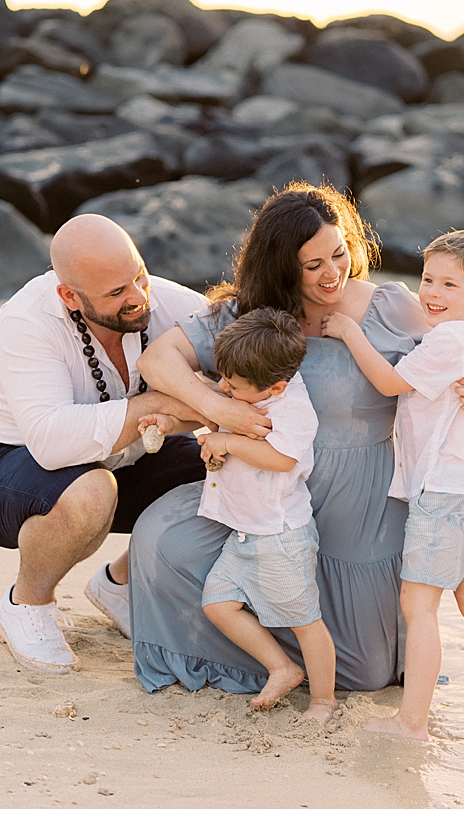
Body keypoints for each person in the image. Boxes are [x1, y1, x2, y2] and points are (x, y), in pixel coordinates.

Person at [128, 183, 464, 696]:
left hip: (361, 500)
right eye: (313, 265)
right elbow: (156, 360)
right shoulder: (252, 313)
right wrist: (221, 409)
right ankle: (257, 654)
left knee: (368, 674)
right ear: (282, 266)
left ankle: (312, 656)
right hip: (269, 487)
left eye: (340, 253)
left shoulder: (393, 308)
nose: (333, 273)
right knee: (161, 540)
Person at [0, 214, 209, 674]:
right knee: (92, 492)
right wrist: (170, 402)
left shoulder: (156, 299)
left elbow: (248, 340)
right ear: (69, 295)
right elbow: (51, 442)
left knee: (225, 475)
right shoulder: (27, 322)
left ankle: (120, 583)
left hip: (120, 460)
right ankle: (27, 604)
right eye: (116, 293)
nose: (137, 298)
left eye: (139, 276)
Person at [321, 229, 464, 742]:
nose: (432, 294)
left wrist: (350, 332)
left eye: (449, 286)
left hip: (441, 494)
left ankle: (411, 722)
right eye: (428, 279)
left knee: (419, 610)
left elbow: (391, 382)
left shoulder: (447, 341)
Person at [141, 307, 335, 721]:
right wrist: (168, 420)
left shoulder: (292, 408)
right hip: (244, 535)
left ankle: (324, 700)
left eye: (233, 383)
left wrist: (227, 442)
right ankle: (282, 667)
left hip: (279, 536)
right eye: (223, 378)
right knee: (218, 604)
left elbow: (283, 458)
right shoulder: (247, 390)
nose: (223, 388)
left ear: (276, 386)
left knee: (305, 621)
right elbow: (208, 414)